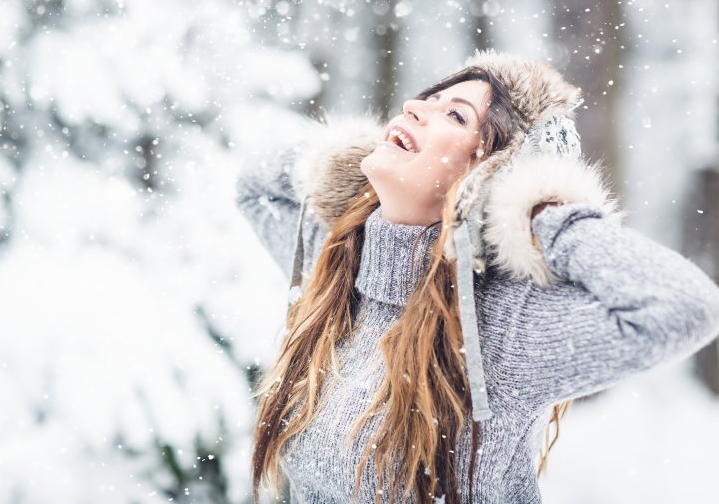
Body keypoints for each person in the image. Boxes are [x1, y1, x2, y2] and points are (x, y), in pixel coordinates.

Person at [234, 50, 719, 504]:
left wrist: (538, 209)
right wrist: (340, 170)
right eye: (430, 98)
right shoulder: (340, 265)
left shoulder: (506, 327)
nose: (414, 107)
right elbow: (254, 185)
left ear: (487, 173)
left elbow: (684, 307)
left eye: (455, 115)